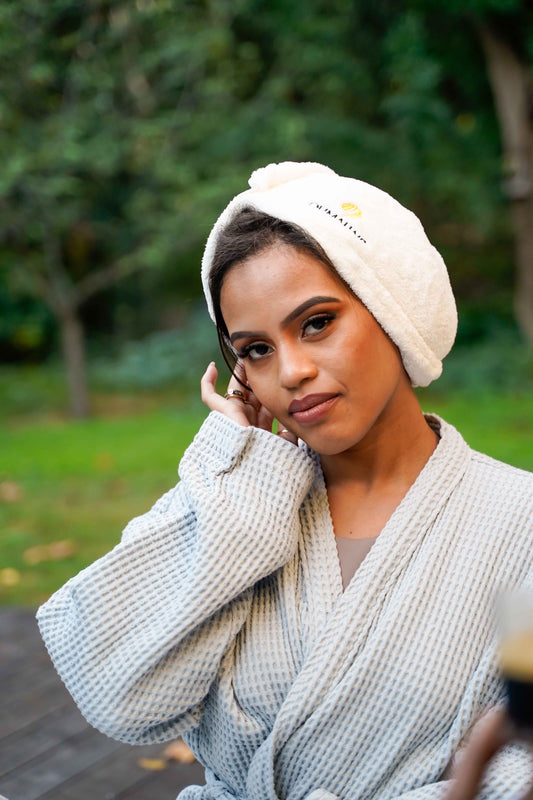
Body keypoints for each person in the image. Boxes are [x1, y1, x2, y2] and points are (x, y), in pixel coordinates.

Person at [37, 162, 533, 800]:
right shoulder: (235, 504)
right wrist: (238, 473)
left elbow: (519, 768)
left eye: (317, 323)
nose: (291, 371)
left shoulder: (520, 523)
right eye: (256, 350)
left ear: (393, 308)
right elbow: (119, 694)